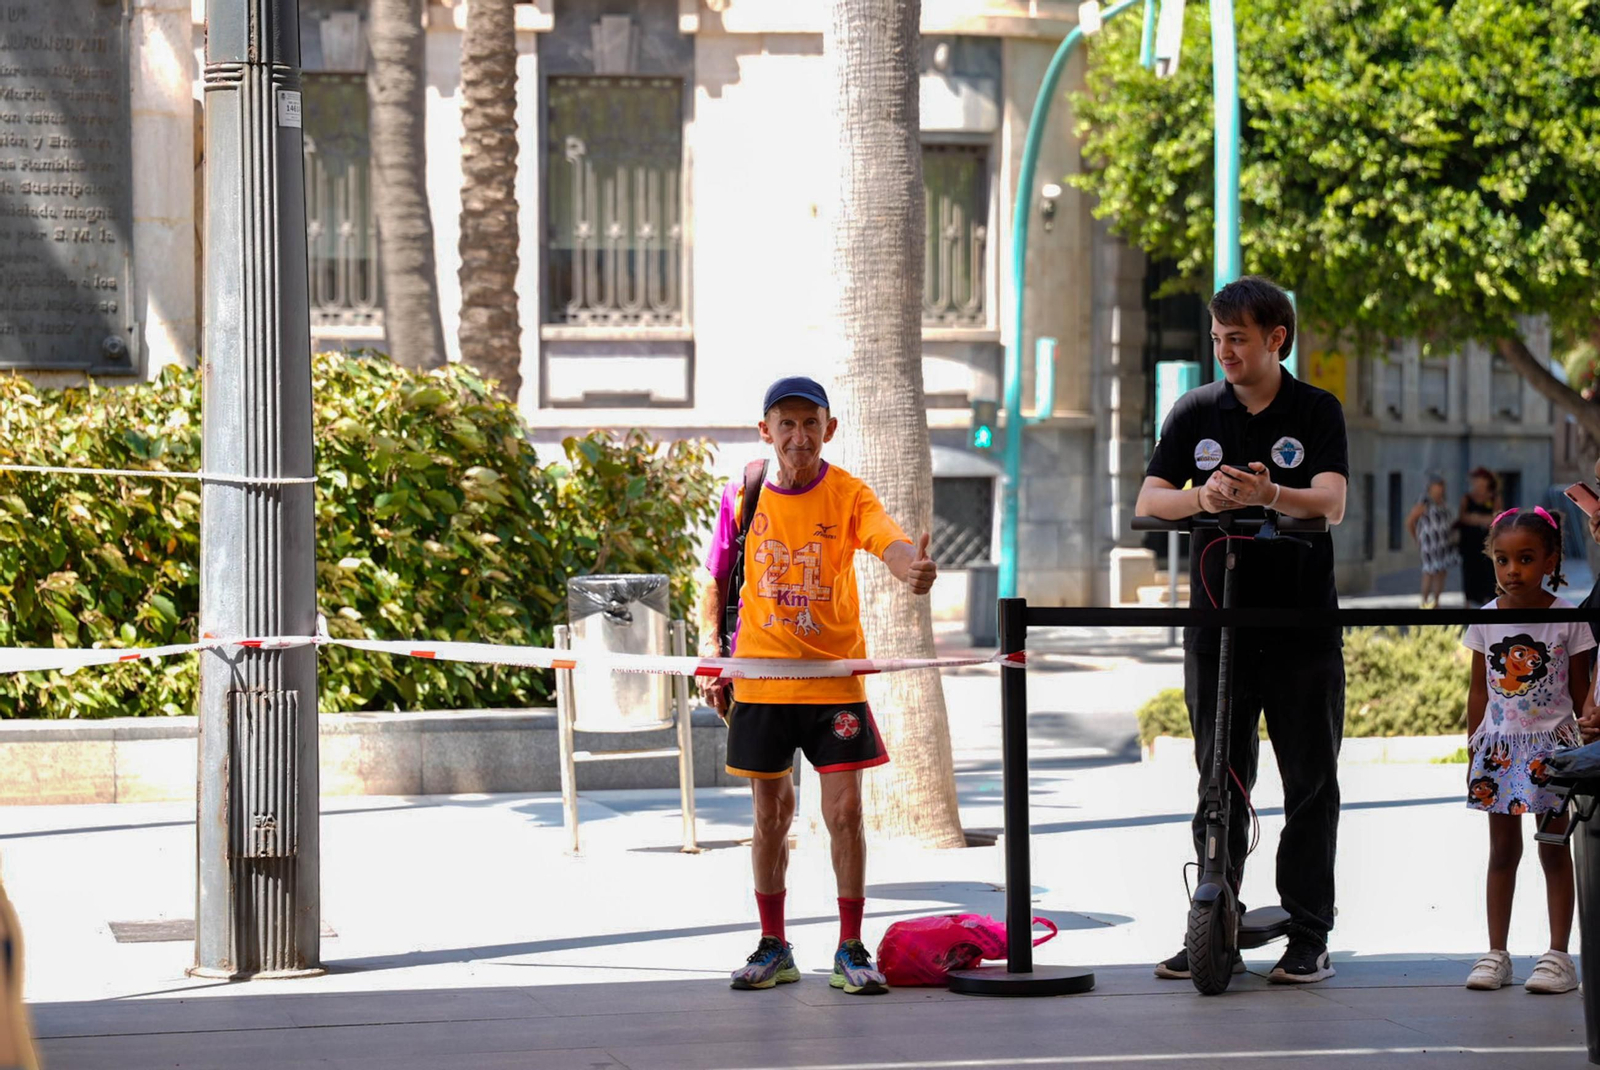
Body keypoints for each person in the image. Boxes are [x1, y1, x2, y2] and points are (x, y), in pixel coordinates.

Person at [1134, 275, 1348, 985]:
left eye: (1239, 339)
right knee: (1218, 782)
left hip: (1301, 630)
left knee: (1310, 784)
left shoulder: (1316, 409)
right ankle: (1213, 916)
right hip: (1216, 627)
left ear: (1276, 340)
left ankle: (1308, 933)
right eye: (1218, 337)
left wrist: (1268, 493)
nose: (1224, 350)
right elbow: (1151, 498)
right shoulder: (1195, 410)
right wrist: (1204, 496)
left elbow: (1333, 502)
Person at [697, 376, 937, 996]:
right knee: (770, 817)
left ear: (829, 429)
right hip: (760, 683)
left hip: (833, 686)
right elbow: (716, 580)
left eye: (811, 423)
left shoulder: (849, 493)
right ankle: (773, 946)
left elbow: (888, 540)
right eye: (787, 423)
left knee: (846, 813)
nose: (799, 436)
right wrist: (710, 655)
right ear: (766, 430)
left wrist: (912, 568)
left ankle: (851, 948)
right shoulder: (743, 495)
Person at [1461, 507, 1595, 993]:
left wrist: (1591, 737)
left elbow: (1582, 693)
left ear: (1550, 560)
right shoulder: (1483, 620)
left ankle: (1558, 957)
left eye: (1525, 558)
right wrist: (1473, 745)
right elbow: (1479, 691)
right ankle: (1497, 953)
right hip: (1498, 751)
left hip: (1553, 750)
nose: (1512, 570)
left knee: (1555, 849)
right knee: (1502, 852)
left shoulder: (1569, 620)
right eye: (1502, 560)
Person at [1406, 475, 1459, 608]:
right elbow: (1410, 521)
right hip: (1429, 543)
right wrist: (1417, 538)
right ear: (1431, 488)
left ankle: (1436, 601)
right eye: (1437, 486)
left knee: (1441, 570)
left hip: (1443, 542)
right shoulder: (1424, 502)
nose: (1439, 489)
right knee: (1429, 571)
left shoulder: (1442, 502)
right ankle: (1424, 602)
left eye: (1441, 486)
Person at [1458, 468, 1501, 607]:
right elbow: (1462, 517)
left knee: (1488, 571)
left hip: (1488, 542)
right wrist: (1482, 519)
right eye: (1475, 480)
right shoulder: (1467, 498)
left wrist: (1477, 518)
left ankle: (1488, 601)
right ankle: (1468, 601)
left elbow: (1498, 517)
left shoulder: (1494, 497)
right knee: (1469, 570)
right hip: (1469, 542)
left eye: (1480, 480)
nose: (1478, 483)